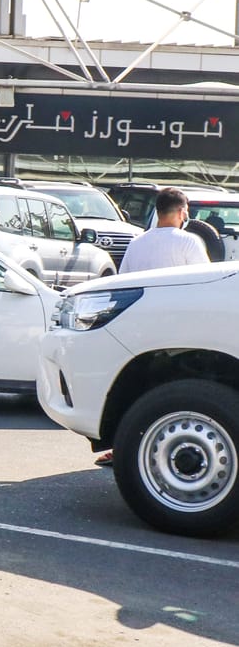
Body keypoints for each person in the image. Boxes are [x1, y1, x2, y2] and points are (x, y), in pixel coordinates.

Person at [95, 188, 210, 468]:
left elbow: (122, 285)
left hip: (140, 329)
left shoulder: (137, 243)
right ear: (183, 212)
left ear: (156, 212)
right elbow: (204, 283)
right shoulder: (189, 242)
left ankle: (119, 449)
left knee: (136, 388)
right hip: (179, 329)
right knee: (173, 391)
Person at [117, 188, 209, 274]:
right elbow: (204, 276)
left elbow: (123, 277)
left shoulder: (135, 242)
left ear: (157, 212)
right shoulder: (189, 241)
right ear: (181, 213)